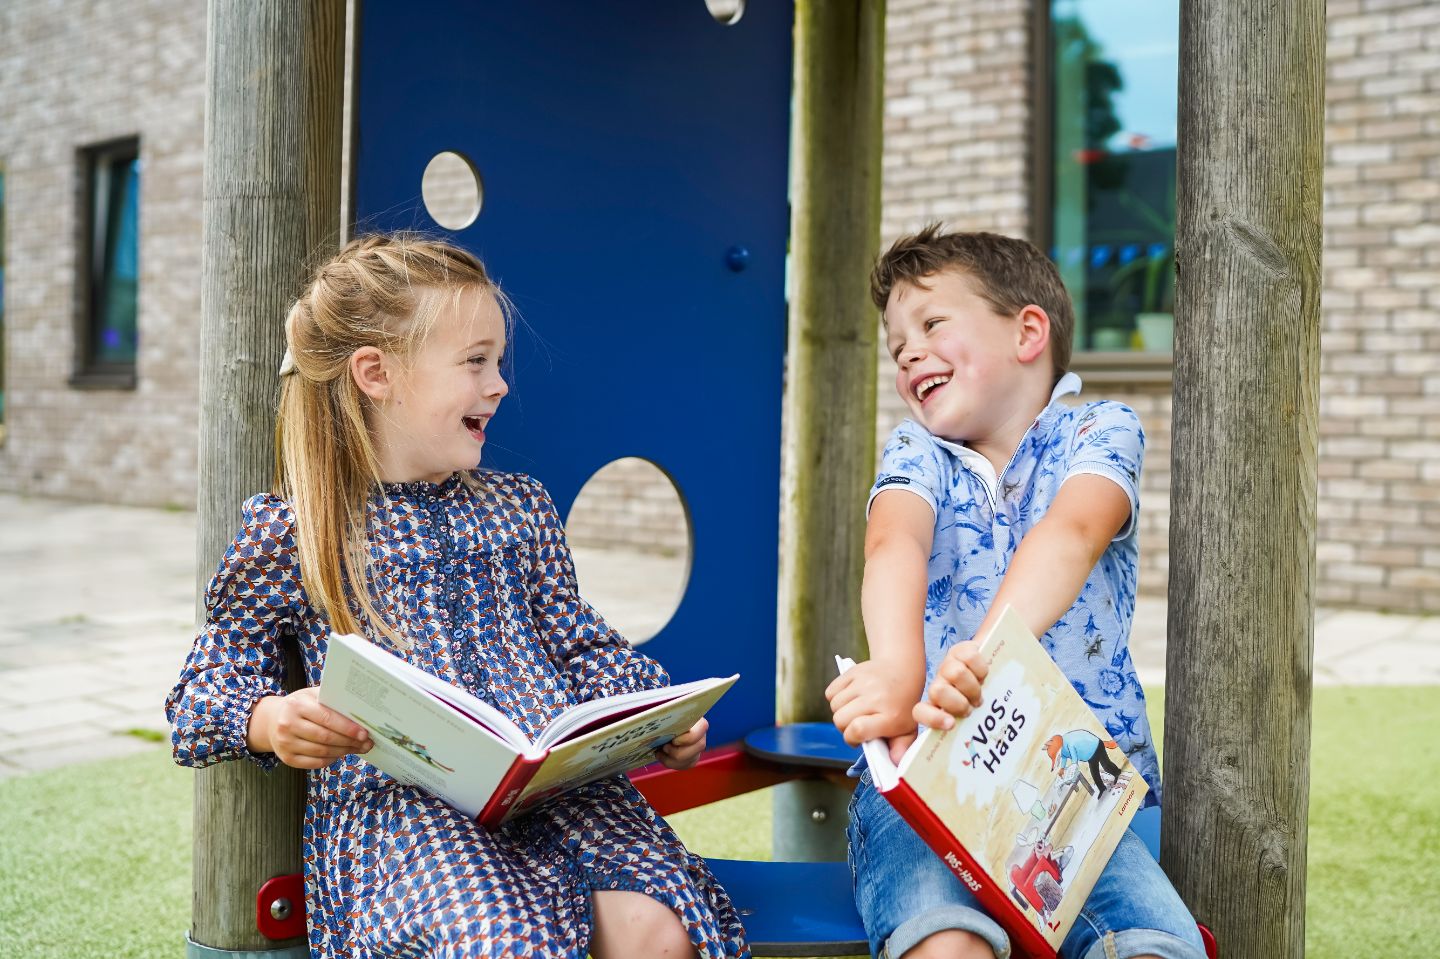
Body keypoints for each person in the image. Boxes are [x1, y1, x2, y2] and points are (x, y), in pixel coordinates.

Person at [166, 234, 746, 959]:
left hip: (559, 795)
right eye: (475, 362)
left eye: (497, 360)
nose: (498, 383)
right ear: (376, 373)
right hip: (408, 816)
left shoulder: (520, 508)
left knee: (657, 929)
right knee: (496, 942)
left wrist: (655, 718)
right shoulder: (297, 531)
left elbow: (581, 644)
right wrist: (269, 718)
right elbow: (200, 690)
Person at [825, 225, 1204, 959]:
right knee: (945, 940)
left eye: (930, 323)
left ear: (1028, 331)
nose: (907, 352)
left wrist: (983, 657)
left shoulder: (1099, 429)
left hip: (1071, 792)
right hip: (922, 786)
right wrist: (901, 673)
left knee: (1152, 944)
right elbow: (893, 541)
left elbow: (1071, 532)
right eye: (896, 343)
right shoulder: (918, 452)